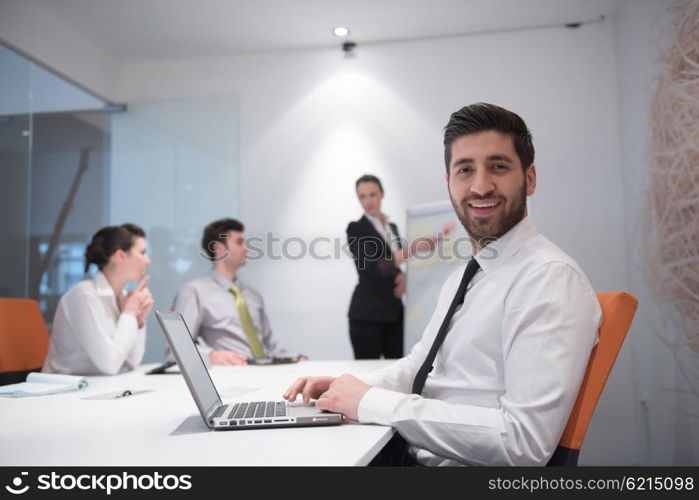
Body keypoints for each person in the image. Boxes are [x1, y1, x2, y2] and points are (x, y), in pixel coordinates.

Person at [284, 103, 602, 466]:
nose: (480, 186)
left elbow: (523, 444)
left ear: (529, 178)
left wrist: (371, 401)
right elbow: (420, 365)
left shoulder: (548, 279)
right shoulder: (462, 278)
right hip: (412, 451)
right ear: (449, 183)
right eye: (465, 170)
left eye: (498, 166)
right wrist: (348, 387)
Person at [171, 218, 303, 365]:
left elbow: (269, 347)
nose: (246, 248)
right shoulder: (194, 292)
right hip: (229, 376)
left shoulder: (253, 295)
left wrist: (295, 358)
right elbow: (176, 350)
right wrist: (211, 356)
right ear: (218, 248)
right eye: (239, 242)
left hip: (267, 370)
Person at [347, 175, 449, 359]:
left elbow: (392, 263)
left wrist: (402, 276)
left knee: (397, 367)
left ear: (382, 194)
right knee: (366, 374)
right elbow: (371, 268)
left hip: (394, 311)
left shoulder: (391, 227)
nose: (368, 201)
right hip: (367, 314)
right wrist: (414, 248)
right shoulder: (356, 228)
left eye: (372, 194)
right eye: (362, 196)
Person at [43, 224, 153, 375]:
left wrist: (138, 320)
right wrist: (129, 314)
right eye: (143, 253)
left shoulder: (122, 297)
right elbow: (109, 365)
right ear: (120, 256)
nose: (148, 261)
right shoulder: (84, 296)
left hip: (95, 388)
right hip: (62, 391)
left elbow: (133, 362)